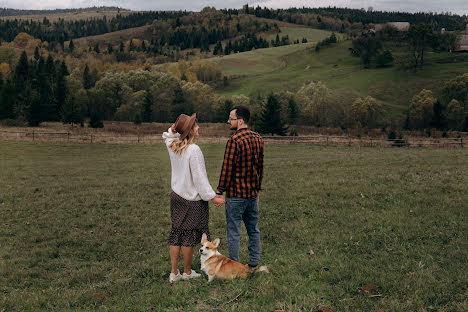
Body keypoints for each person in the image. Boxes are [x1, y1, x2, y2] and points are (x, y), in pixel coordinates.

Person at [162, 113, 225, 283]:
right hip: (191, 200)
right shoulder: (194, 150)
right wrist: (212, 197)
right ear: (189, 131)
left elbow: (167, 136)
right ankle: (187, 272)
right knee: (188, 237)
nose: (198, 128)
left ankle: (174, 273)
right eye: (195, 126)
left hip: (176, 196)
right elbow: (199, 179)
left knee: (177, 233)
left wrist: (173, 129)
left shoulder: (172, 145)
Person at [216, 105, 264, 268]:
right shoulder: (258, 138)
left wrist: (219, 190)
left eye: (231, 118)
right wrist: (257, 188)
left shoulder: (234, 140)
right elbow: (260, 168)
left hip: (236, 195)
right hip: (252, 195)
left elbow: (227, 168)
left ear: (241, 120)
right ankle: (253, 263)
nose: (228, 121)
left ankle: (235, 266)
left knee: (234, 232)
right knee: (253, 230)